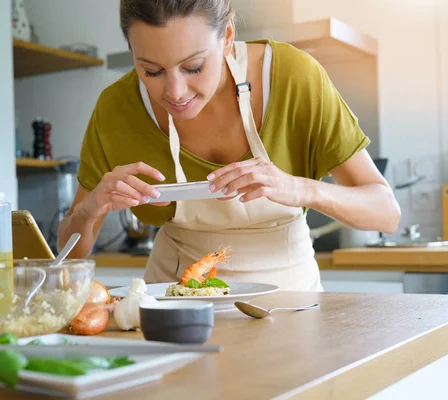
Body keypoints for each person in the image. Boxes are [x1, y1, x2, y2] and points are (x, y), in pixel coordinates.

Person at [57, 0, 401, 291]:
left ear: (228, 36)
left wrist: (300, 188)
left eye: (193, 67)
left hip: (289, 297)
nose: (174, 92)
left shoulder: (294, 78)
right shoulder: (116, 108)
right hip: (173, 301)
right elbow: (68, 255)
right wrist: (91, 210)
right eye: (151, 71)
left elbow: (385, 212)